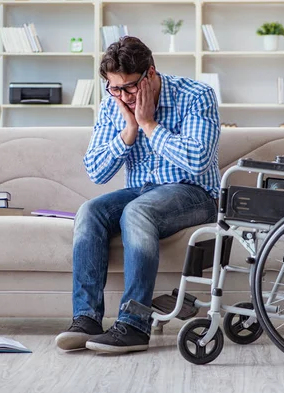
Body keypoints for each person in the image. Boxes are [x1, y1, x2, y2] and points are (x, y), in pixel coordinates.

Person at [55, 36, 221, 354]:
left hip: (195, 194)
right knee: (90, 211)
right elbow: (96, 171)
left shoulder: (197, 96)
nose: (124, 96)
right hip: (140, 192)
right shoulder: (112, 105)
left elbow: (198, 161)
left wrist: (148, 124)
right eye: (115, 88)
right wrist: (128, 132)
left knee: (137, 212)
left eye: (130, 87)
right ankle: (86, 319)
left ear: (151, 73)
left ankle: (133, 325)